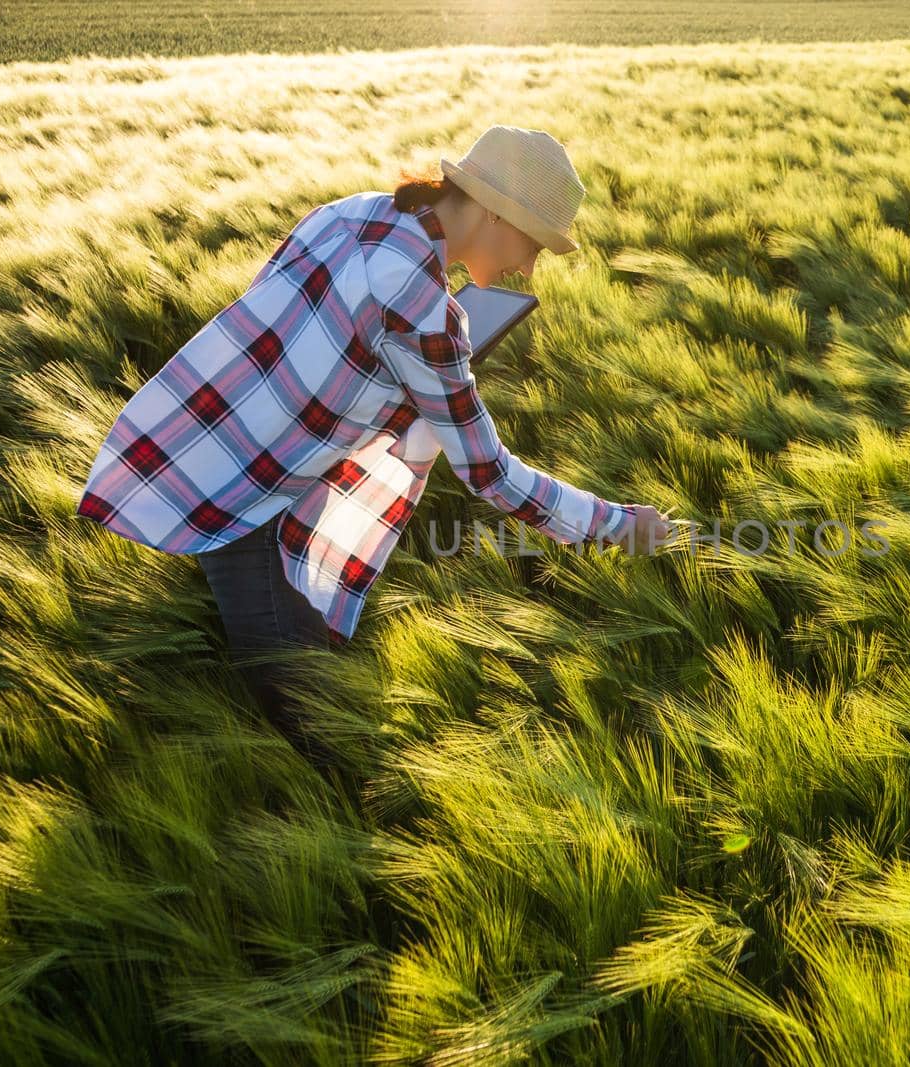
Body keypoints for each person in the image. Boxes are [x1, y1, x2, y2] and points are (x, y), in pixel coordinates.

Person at [75, 124, 672, 770]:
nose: (529, 270)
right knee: (327, 729)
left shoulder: (352, 212)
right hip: (248, 501)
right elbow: (489, 473)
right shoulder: (424, 308)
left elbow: (279, 318)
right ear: (497, 212)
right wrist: (615, 524)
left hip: (197, 444)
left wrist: (411, 377)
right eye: (534, 245)